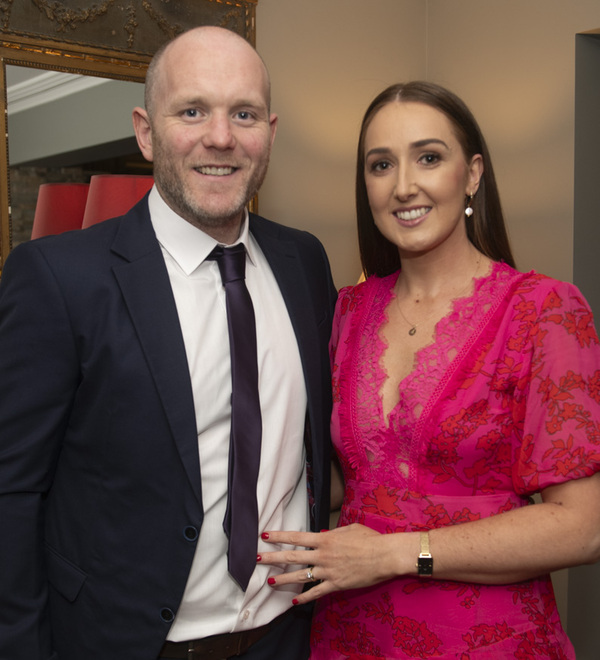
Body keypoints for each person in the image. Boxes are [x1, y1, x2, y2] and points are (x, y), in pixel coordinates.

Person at [0, 26, 337, 660]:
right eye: (192, 111)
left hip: (286, 638)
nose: (221, 137)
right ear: (146, 131)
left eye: (244, 114)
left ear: (270, 132)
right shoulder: (59, 278)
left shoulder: (305, 263)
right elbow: (12, 491)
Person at [258, 81, 600, 658]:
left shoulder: (542, 310)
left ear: (472, 175)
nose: (403, 186)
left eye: (429, 158)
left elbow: (582, 528)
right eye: (381, 165)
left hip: (485, 639)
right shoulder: (348, 310)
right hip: (350, 634)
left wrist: (393, 554)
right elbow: (351, 476)